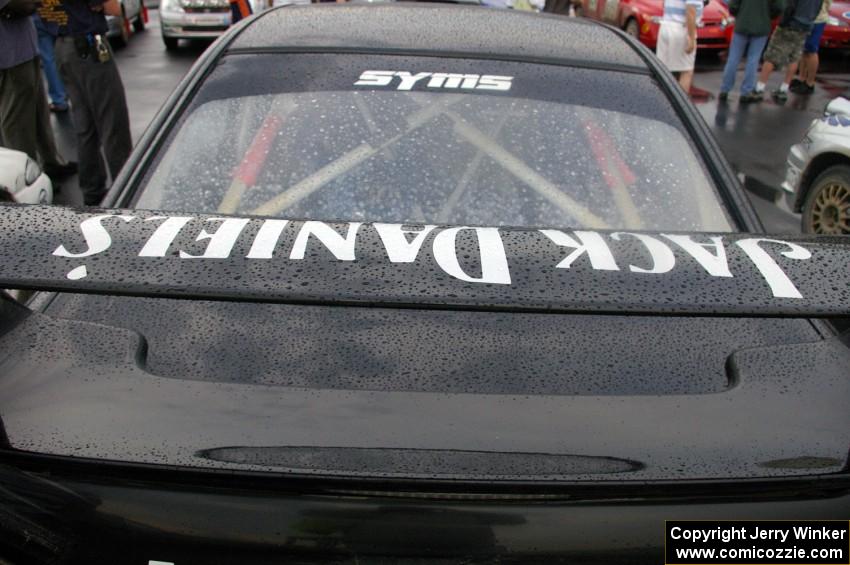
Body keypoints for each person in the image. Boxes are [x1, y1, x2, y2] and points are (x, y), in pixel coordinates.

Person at [44, 0, 132, 205]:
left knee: (85, 127)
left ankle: (92, 191)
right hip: (88, 47)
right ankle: (127, 191)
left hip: (62, 46)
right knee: (113, 124)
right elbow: (113, 8)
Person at [0, 0, 76, 180]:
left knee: (38, 113)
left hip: (24, 48)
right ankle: (25, 178)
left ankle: (52, 164)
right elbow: (16, 5)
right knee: (17, 123)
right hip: (9, 57)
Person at [752, 0, 824, 101]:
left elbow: (790, 6)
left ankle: (759, 88)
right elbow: (818, 9)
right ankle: (784, 89)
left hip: (790, 24)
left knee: (772, 55)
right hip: (805, 26)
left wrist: (784, 21)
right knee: (794, 57)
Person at [718, 0, 784, 102]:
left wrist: (740, 14)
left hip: (742, 24)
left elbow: (733, 5)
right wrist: (768, 15)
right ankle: (746, 91)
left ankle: (725, 89)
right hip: (762, 26)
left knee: (733, 58)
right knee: (753, 59)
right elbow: (779, 6)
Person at [655, 0, 703, 93]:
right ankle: (681, 104)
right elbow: (691, 11)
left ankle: (660, 100)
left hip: (666, 25)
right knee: (686, 71)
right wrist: (691, 38)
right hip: (680, 28)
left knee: (663, 69)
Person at [788, 0, 831, 94]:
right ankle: (802, 78)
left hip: (817, 19)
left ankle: (810, 83)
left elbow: (828, 3)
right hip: (805, 17)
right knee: (804, 49)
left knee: (811, 50)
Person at [34, 3, 69, 113]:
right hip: (57, 10)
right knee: (66, 50)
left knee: (49, 58)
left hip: (39, 12)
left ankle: (59, 99)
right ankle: (74, 92)